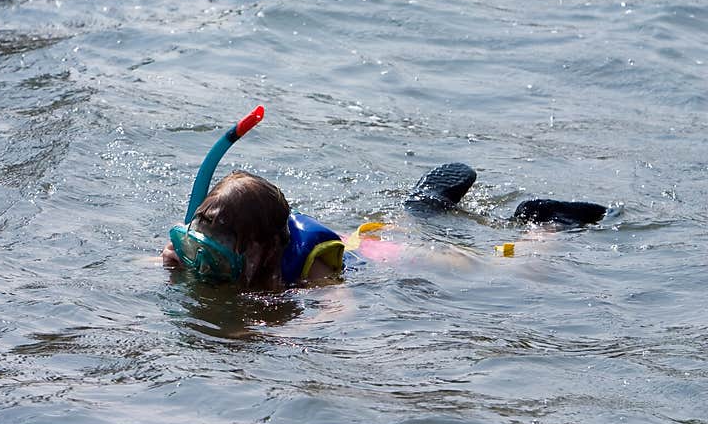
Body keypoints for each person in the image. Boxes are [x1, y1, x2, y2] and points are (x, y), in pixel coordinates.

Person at [162, 163, 607, 289]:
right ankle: (427, 203)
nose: (208, 249)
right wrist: (168, 264)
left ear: (266, 247)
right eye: (204, 234)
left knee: (500, 270)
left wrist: (283, 330)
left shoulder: (307, 270)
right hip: (362, 239)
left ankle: (546, 226)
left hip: (378, 257)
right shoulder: (212, 253)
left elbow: (338, 311)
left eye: (226, 240)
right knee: (408, 223)